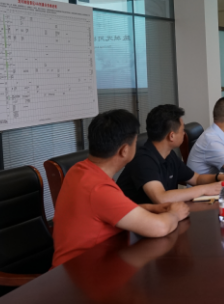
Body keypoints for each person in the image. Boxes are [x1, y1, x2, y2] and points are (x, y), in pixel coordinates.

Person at [52, 109, 190, 268]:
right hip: (84, 274)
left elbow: (107, 211)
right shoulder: (99, 189)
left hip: (89, 266)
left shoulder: (79, 170)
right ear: (124, 150)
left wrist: (151, 208)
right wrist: (175, 214)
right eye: (135, 143)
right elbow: (160, 227)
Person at [116, 104, 224, 205]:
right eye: (182, 130)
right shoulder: (143, 160)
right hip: (133, 226)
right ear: (171, 136)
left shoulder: (168, 154)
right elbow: (161, 198)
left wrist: (218, 178)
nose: (184, 133)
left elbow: (196, 179)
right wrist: (205, 189)